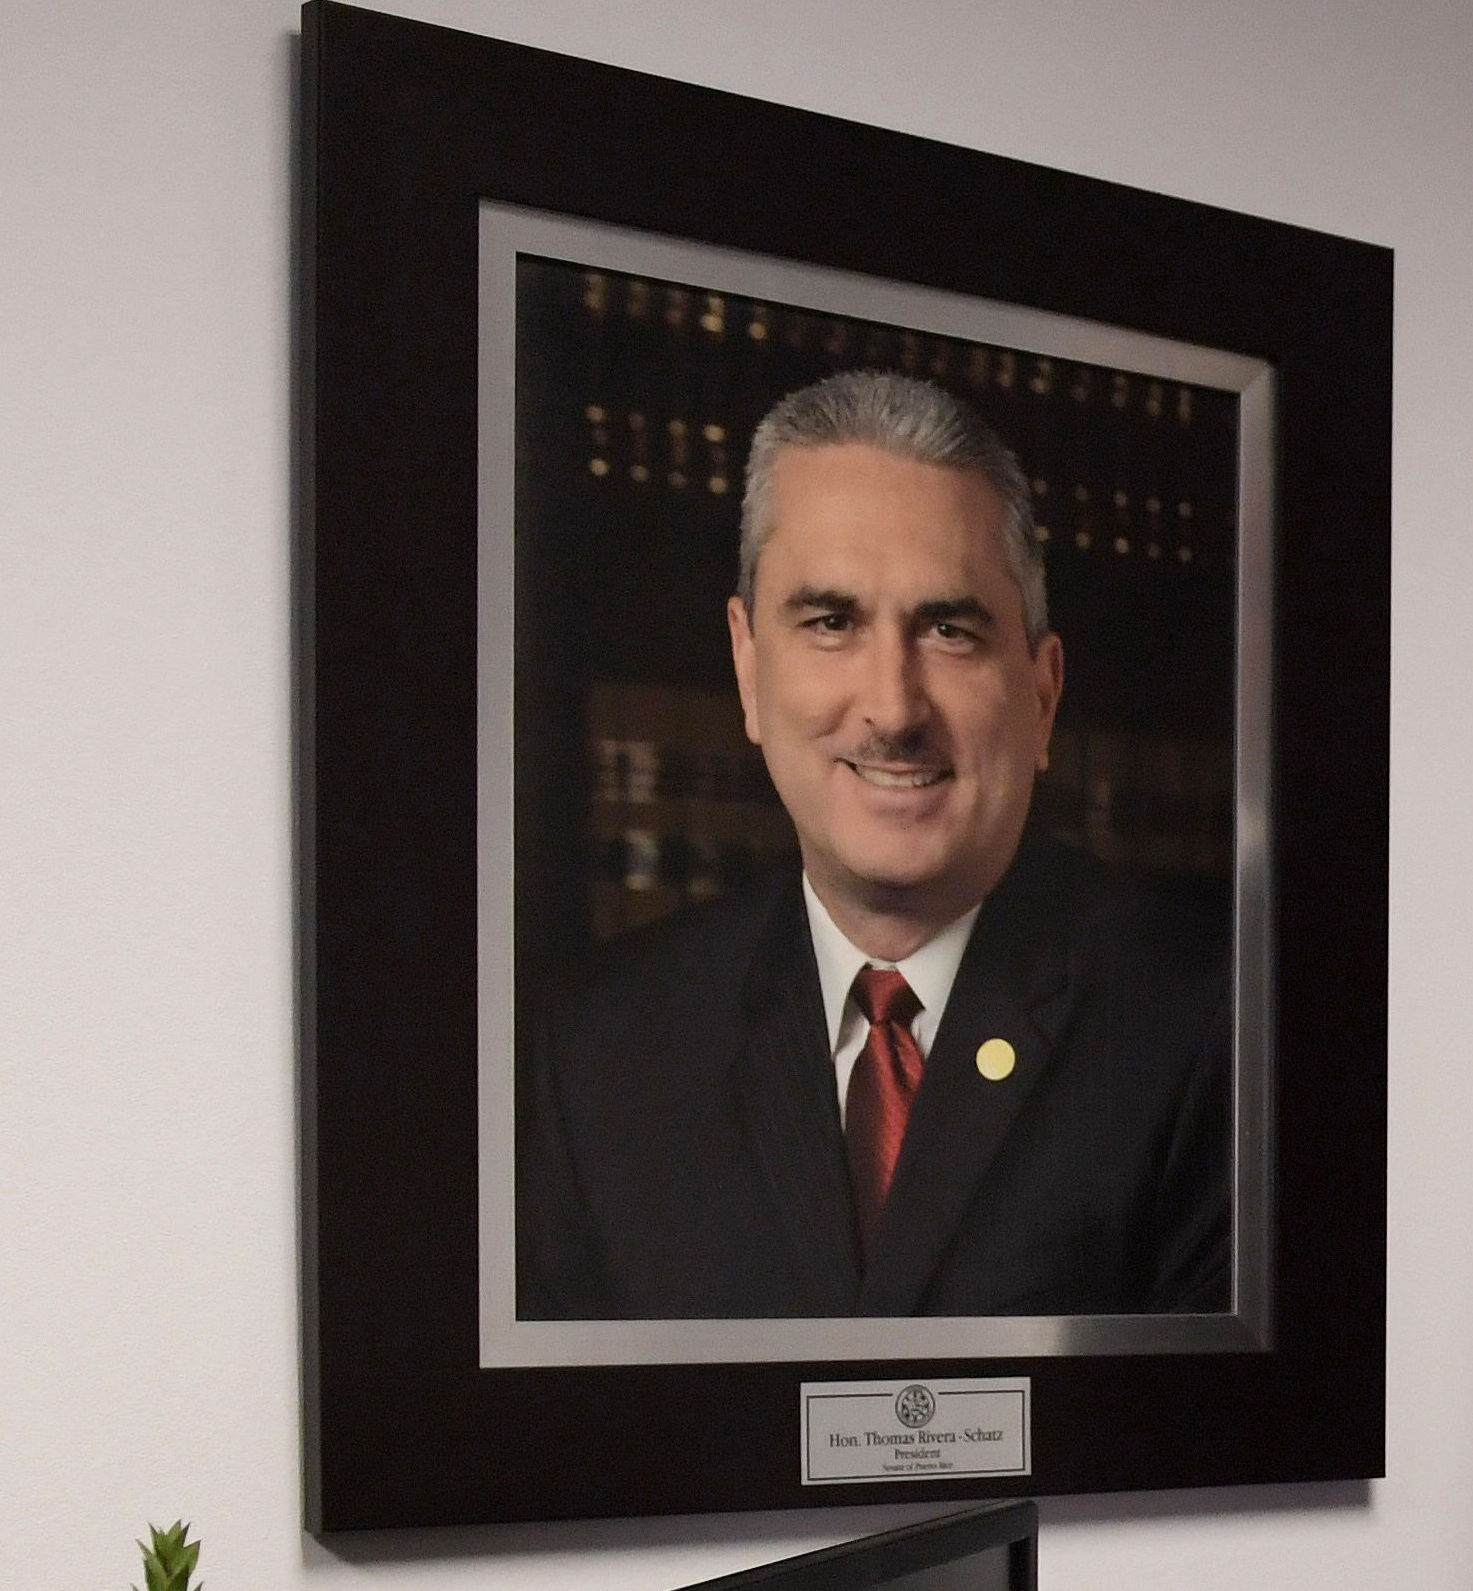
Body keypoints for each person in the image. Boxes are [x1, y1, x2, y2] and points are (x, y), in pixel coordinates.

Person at [518, 369, 1231, 1322]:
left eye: (949, 629)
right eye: (830, 623)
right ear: (746, 665)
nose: (893, 708)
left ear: (1044, 693)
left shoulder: (1210, 1028)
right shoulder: (601, 1051)